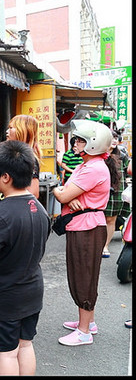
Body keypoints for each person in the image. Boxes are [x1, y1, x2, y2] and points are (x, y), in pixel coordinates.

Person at [0, 140, 50, 376]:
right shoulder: (40, 208)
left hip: (5, 297)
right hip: (32, 290)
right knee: (25, 344)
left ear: (5, 177)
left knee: (6, 352)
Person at [52, 120, 116, 346]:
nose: (75, 143)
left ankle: (84, 331)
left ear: (93, 144)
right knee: (85, 275)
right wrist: (67, 193)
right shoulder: (88, 165)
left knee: (84, 277)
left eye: (80, 140)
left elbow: (61, 194)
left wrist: (61, 191)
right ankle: (89, 322)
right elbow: (65, 191)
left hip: (86, 227)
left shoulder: (93, 167)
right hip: (83, 225)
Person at [101, 130, 130, 257]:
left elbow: (127, 170)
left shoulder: (122, 154)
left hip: (117, 190)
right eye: (111, 138)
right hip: (100, 190)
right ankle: (97, 244)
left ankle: (105, 245)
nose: (114, 140)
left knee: (111, 219)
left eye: (116, 138)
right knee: (99, 219)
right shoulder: (98, 153)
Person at [5, 115, 42, 198]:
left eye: (11, 128)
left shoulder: (29, 159)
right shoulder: (13, 155)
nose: (7, 131)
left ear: (23, 131)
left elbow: (33, 193)